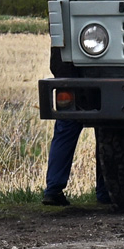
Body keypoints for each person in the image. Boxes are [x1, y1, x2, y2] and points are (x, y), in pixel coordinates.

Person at [42, 48, 110, 206]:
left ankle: (53, 189)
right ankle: (104, 190)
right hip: (97, 76)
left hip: (68, 75)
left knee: (65, 129)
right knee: (106, 130)